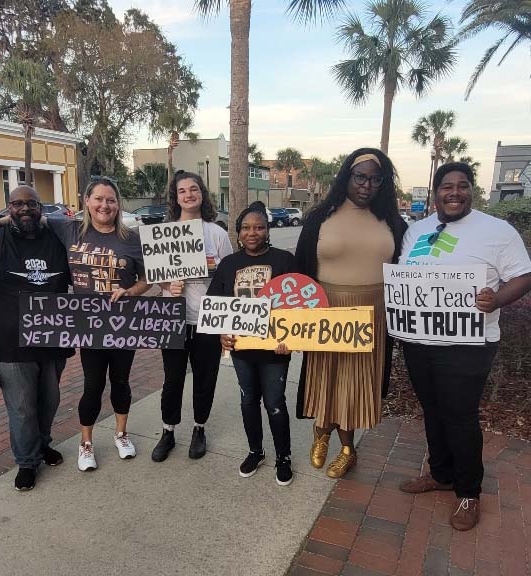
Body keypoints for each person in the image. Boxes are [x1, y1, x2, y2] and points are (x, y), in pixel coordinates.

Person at [0, 177, 148, 472]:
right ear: (87, 201)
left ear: (118, 204)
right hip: (89, 325)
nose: (104, 205)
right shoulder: (68, 229)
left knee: (121, 381)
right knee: (92, 385)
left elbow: (149, 279)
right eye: (98, 199)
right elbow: (27, 212)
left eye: (110, 200)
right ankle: (86, 443)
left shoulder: (132, 239)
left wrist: (132, 291)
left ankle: (121, 434)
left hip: (123, 323)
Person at [398, 162, 531, 531]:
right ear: (435, 191)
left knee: (460, 416)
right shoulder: (416, 231)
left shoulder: (496, 231)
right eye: (446, 186)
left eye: (462, 186)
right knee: (433, 409)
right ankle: (441, 474)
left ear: (472, 191)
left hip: (467, 343)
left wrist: (498, 299)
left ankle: (468, 491)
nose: (454, 192)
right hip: (419, 339)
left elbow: (523, 275)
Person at [295, 148, 407, 479]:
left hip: (372, 315)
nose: (367, 185)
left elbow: (406, 271)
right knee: (324, 378)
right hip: (326, 312)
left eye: (375, 179)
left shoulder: (393, 223)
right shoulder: (319, 218)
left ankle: (348, 448)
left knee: (354, 385)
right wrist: (295, 322)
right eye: (361, 176)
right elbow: (301, 272)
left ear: (383, 183)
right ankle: (321, 432)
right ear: (347, 177)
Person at [0, 186, 74, 491]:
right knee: (22, 407)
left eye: (32, 204)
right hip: (10, 342)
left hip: (54, 338)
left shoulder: (56, 238)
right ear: (7, 209)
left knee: (49, 401)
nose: (25, 209)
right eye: (18, 204)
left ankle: (42, 445)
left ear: (42, 208)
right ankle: (26, 461)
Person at [208, 201, 295, 486]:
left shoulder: (284, 260)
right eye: (246, 228)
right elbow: (217, 305)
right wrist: (222, 332)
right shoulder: (229, 264)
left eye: (259, 227)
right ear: (238, 232)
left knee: (275, 404)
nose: (252, 233)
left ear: (267, 230)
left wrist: (290, 337)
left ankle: (283, 457)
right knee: (248, 400)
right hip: (242, 349)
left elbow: (299, 306)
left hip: (274, 349)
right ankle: (255, 452)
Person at [151, 171, 232, 463]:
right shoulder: (165, 231)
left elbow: (228, 279)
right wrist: (167, 285)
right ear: (176, 197)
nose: (188, 194)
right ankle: (168, 430)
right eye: (182, 190)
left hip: (207, 319)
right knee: (172, 380)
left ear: (202, 194)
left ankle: (199, 428)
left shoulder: (217, 234)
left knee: (205, 378)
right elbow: (156, 278)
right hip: (173, 318)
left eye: (193, 189)